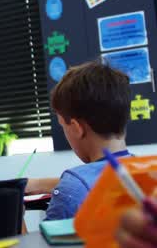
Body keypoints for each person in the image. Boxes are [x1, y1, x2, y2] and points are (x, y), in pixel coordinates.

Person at [42, 60, 132, 220]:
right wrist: (35, 185)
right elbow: (98, 178)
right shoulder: (146, 171)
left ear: (76, 128)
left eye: (63, 126)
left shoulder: (73, 187)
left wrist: (14, 214)